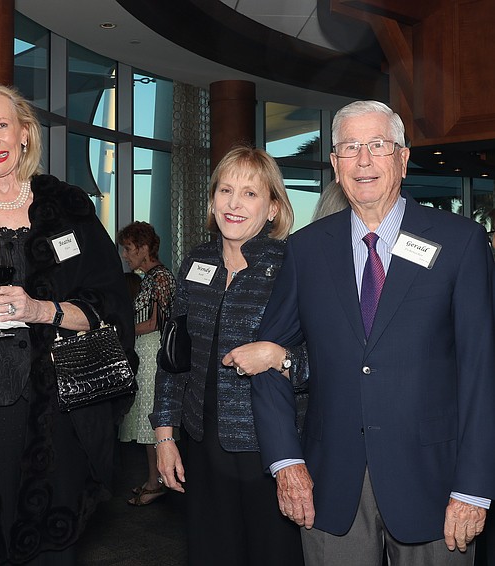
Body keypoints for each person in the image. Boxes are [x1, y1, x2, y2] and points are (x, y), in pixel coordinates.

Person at [246, 100, 495, 565]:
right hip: (328, 484)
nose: (363, 160)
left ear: (401, 159)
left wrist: (474, 488)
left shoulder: (460, 242)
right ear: (335, 166)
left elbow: (483, 371)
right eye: (349, 148)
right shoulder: (305, 250)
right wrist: (286, 462)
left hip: (436, 484)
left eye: (377, 145)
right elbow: (267, 358)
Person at [0, 83, 134, 565]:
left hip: (53, 415)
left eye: (2, 125)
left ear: (25, 134)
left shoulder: (68, 207)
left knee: (51, 551)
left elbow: (110, 304)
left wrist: (41, 310)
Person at [151, 146, 307, 566]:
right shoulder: (195, 261)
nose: (234, 204)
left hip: (269, 450)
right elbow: (172, 358)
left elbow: (323, 361)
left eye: (250, 194)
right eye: (225, 190)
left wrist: (281, 357)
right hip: (201, 444)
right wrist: (165, 436)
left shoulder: (293, 265)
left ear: (273, 208)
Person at [116, 221, 176, 506]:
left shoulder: (160, 277)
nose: (126, 255)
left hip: (154, 352)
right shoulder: (150, 277)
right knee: (146, 422)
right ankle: (154, 479)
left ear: (143, 248)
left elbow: (154, 323)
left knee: (151, 422)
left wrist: (119, 330)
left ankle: (157, 482)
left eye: (128, 249)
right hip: (145, 351)